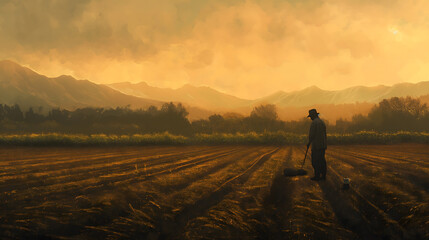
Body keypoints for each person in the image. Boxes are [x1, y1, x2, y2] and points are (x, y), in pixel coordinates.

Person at [306, 109, 327, 181]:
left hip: (316, 145)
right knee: (322, 160)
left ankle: (317, 175)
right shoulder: (322, 122)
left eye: (311, 116)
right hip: (323, 145)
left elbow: (312, 135)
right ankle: (323, 175)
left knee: (315, 161)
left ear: (313, 116)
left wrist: (309, 143)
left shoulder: (314, 123)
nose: (310, 118)